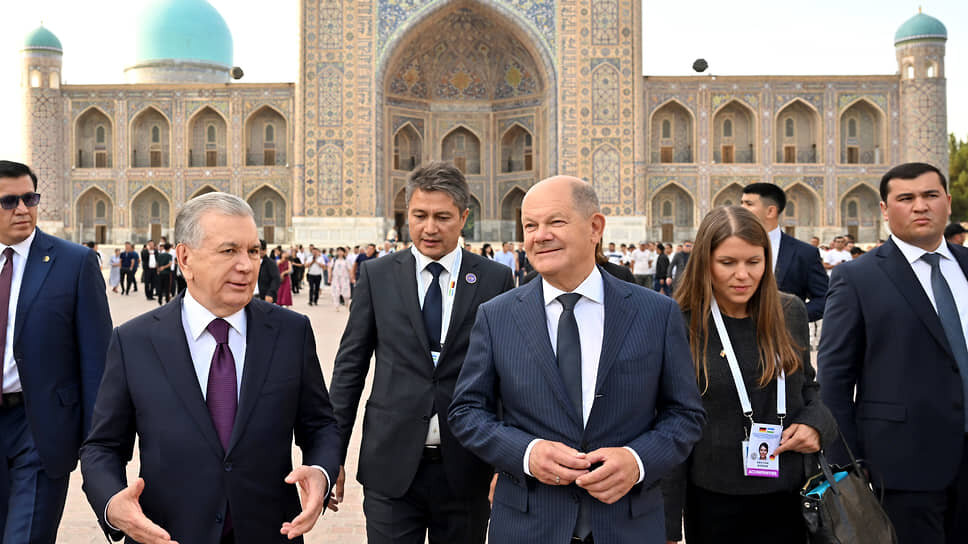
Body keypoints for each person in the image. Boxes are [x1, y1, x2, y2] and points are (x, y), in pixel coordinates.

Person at [448, 175, 705, 544]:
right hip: (528, 526)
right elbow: (467, 412)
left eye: (555, 222)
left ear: (595, 227)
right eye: (530, 226)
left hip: (627, 524)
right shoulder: (497, 315)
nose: (540, 235)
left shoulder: (655, 313)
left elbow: (686, 414)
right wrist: (526, 453)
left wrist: (637, 461)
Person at [80, 192, 341, 544]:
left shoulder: (290, 332)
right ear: (185, 258)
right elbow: (102, 447)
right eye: (229, 251)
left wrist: (321, 473)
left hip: (268, 531)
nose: (247, 266)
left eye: (254, 251)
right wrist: (113, 504)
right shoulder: (135, 340)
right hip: (168, 534)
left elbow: (320, 425)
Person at [330, 162, 514, 544]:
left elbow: (509, 376)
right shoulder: (378, 276)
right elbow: (350, 369)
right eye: (420, 215)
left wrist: (507, 459)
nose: (430, 228)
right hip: (391, 466)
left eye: (442, 217)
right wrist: (331, 455)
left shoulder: (494, 279)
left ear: (463, 217)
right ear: (407, 214)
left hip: (467, 465)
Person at [662, 205, 836, 544]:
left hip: (791, 495)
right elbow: (671, 422)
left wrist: (817, 424)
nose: (742, 275)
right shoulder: (681, 322)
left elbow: (809, 389)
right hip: (715, 499)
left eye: (753, 262)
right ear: (705, 262)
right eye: (728, 263)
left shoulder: (788, 312)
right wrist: (668, 526)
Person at [819, 162, 968, 544]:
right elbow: (835, 379)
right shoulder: (858, 278)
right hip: (903, 464)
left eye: (930, 196)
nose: (921, 206)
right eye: (906, 198)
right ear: (885, 210)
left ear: (947, 203)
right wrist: (846, 467)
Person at [0, 160, 112, 541]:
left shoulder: (73, 263)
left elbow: (98, 358)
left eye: (29, 198)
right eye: (8, 201)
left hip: (40, 426)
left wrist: (98, 445)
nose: (22, 209)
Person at [741, 183, 829, 322]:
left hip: (785, 340)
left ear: (770, 211)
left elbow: (824, 299)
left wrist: (789, 317)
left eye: (749, 204)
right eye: (742, 203)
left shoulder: (804, 253)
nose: (742, 209)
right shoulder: (730, 246)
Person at [255, 239, 280, 303]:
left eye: (262, 249)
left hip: (264, 297)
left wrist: (270, 294)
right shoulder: (250, 262)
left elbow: (276, 279)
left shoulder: (270, 263)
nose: (260, 251)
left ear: (265, 250)